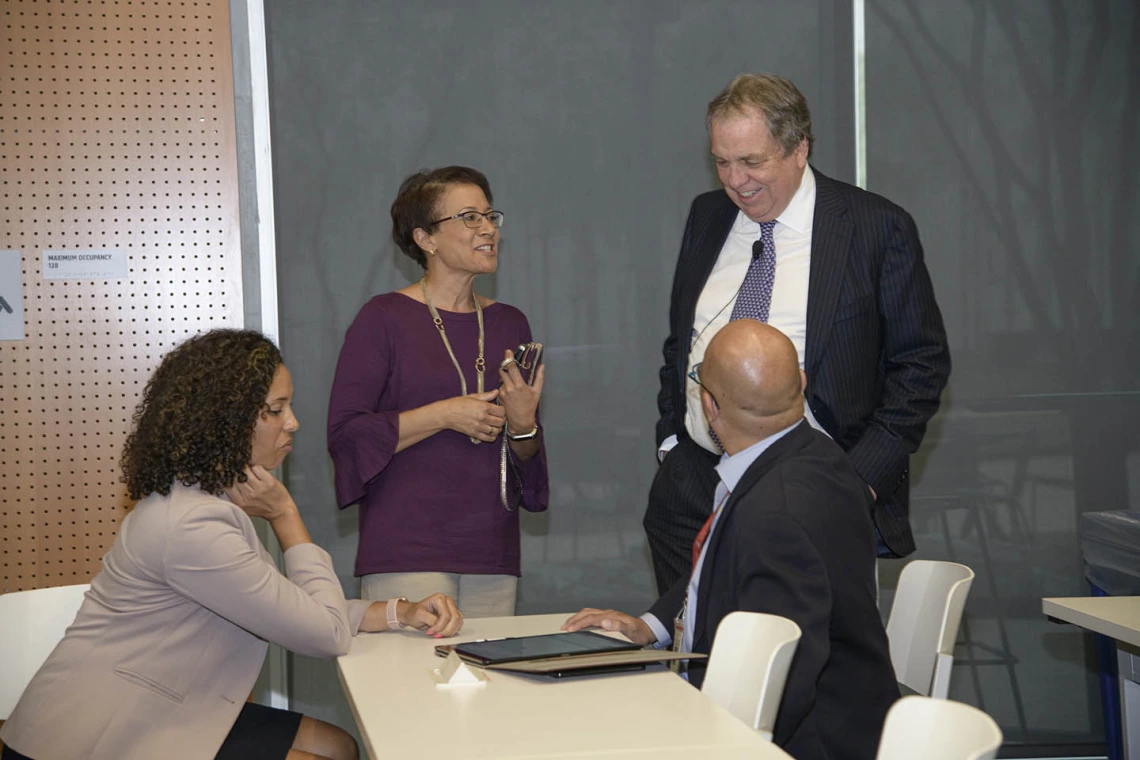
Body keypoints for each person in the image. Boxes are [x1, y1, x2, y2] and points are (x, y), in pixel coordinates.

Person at [0, 329, 463, 760]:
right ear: (226, 418)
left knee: (337, 746)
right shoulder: (192, 527)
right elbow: (324, 635)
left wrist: (399, 612)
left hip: (165, 703)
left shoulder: (204, 501)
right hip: (97, 734)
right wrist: (286, 516)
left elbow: (289, 608)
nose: (294, 423)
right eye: (276, 409)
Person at [644, 73, 951, 594]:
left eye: (753, 161)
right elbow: (682, 341)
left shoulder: (874, 227)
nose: (736, 180)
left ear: (798, 147)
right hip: (695, 482)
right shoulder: (708, 216)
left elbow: (920, 365)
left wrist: (859, 483)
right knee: (694, 660)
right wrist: (673, 445)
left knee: (799, 663)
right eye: (722, 161)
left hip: (816, 487)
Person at [567, 320, 899, 760]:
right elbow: (720, 570)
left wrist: (694, 738)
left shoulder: (776, 513)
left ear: (709, 406)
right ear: (800, 383)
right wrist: (650, 626)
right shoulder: (814, 458)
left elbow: (778, 682)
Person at [328, 166, 548, 618]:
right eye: (469, 217)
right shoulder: (382, 319)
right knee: (415, 685)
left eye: (490, 216)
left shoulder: (511, 323)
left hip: (491, 549)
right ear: (426, 239)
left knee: (487, 684)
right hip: (407, 548)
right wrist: (445, 415)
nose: (488, 228)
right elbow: (346, 435)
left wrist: (524, 424)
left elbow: (524, 454)